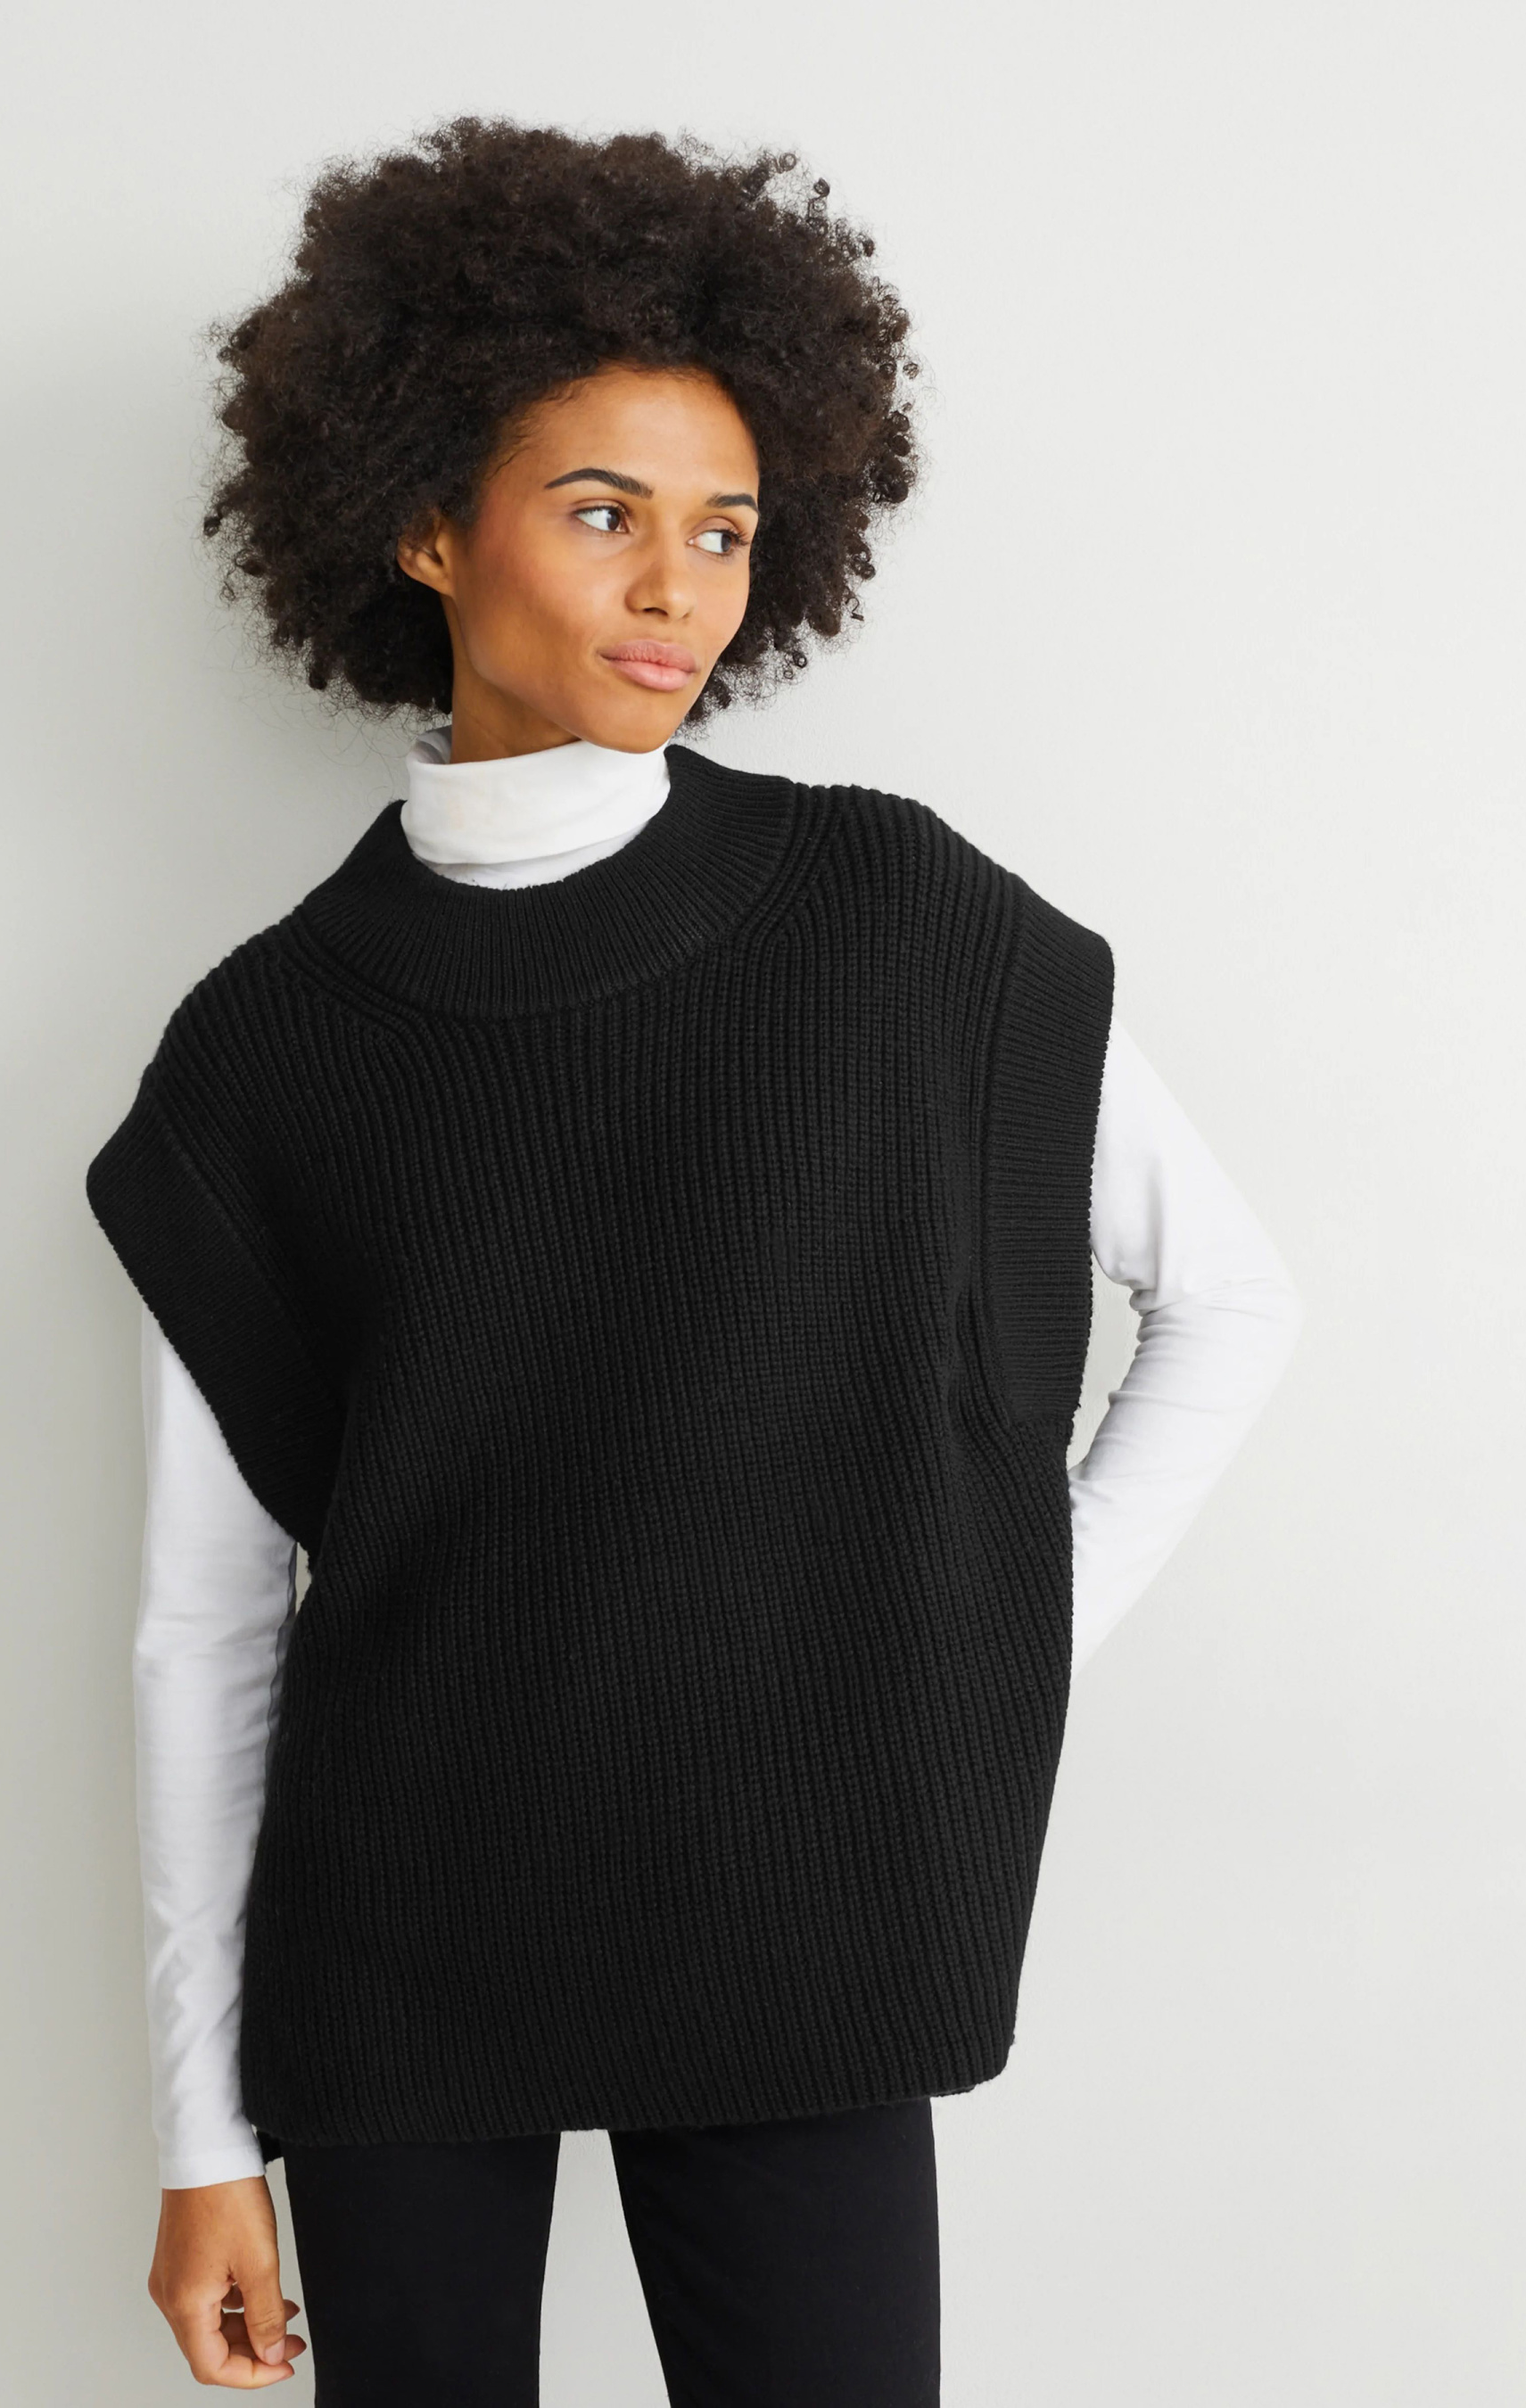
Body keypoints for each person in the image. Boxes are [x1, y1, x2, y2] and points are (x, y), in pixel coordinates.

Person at [87, 118, 1304, 2399]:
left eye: (723, 529)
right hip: (396, 1939)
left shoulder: (895, 923)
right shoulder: (267, 1049)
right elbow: (207, 1620)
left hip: (795, 1916)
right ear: (423, 525)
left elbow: (1227, 1301)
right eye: (600, 512)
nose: (676, 589)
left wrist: (970, 1647)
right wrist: (199, 2136)